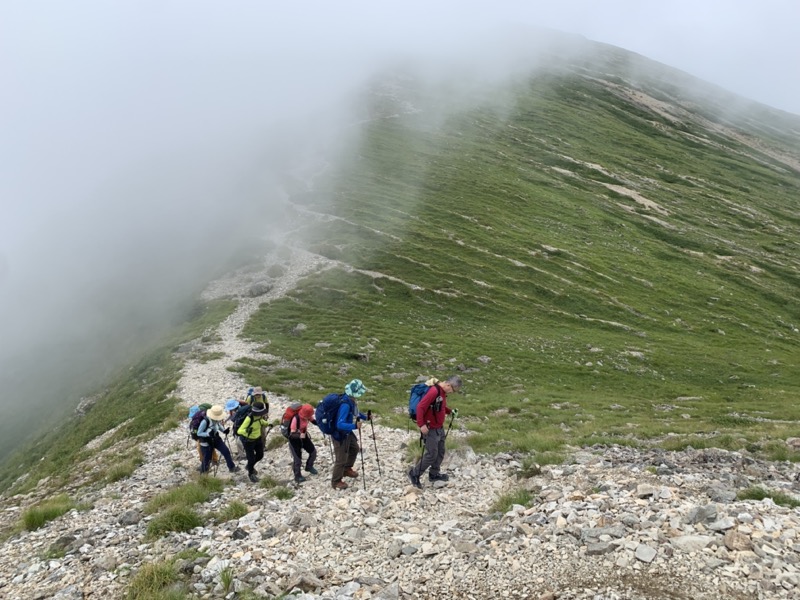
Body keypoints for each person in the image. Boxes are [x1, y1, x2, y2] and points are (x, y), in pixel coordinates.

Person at [407, 375, 462, 489]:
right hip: (430, 427)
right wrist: (421, 424)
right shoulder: (434, 391)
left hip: (439, 427)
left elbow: (440, 407)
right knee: (431, 454)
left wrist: (450, 411)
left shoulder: (441, 392)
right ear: (448, 385)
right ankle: (414, 473)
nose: (451, 392)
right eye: (452, 390)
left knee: (441, 451)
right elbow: (421, 407)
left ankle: (434, 473)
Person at [331, 379, 368, 490]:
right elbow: (339, 424)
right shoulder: (345, 405)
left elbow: (355, 413)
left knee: (355, 448)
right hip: (339, 435)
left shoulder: (349, 400)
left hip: (347, 432)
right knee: (340, 459)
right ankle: (336, 481)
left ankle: (347, 469)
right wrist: (354, 426)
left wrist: (365, 417)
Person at [197, 404, 240, 475]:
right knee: (207, 459)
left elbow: (218, 426)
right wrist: (207, 434)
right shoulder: (205, 421)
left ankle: (232, 467)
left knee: (226, 451)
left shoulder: (216, 420)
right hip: (206, 442)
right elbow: (199, 433)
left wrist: (224, 431)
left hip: (216, 438)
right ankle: (203, 474)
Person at [237, 401, 269, 483]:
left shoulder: (259, 416)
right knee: (251, 459)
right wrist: (247, 431)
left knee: (260, 455)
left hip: (257, 439)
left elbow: (260, 422)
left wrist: (268, 423)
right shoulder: (249, 418)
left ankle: (249, 466)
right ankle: (251, 474)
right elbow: (239, 431)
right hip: (248, 441)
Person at [287, 403, 318, 484]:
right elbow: (292, 432)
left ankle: (309, 466)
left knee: (313, 452)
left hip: (304, 437)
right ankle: (297, 476)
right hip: (294, 440)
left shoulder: (307, 416)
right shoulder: (295, 418)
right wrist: (300, 435)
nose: (309, 417)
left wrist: (322, 425)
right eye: (308, 416)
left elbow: (313, 421)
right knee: (297, 459)